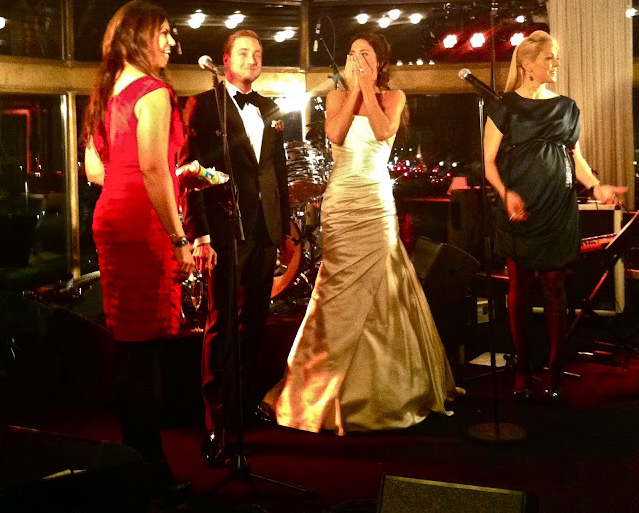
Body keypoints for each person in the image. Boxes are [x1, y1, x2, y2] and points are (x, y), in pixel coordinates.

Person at [262, 33, 461, 435]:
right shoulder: (336, 96)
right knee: (335, 286)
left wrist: (369, 88)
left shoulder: (395, 97)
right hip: (341, 199)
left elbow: (384, 131)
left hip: (375, 199)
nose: (356, 59)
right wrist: (354, 88)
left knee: (386, 285)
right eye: (352, 53)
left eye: (364, 54)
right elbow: (336, 135)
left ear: (380, 61)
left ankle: (391, 388)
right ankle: (319, 387)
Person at [83, 0, 196, 491]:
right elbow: (152, 168)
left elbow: (95, 170)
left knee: (130, 349)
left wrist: (137, 178)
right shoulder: (153, 91)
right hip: (140, 223)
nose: (171, 42)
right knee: (145, 351)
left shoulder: (107, 90)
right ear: (138, 36)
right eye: (164, 32)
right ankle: (152, 472)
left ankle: (135, 464)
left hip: (111, 216)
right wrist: (179, 238)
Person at [484, 30, 626, 401]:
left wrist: (596, 187)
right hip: (520, 209)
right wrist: (506, 193)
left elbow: (576, 158)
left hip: (557, 207)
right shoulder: (504, 107)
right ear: (527, 65)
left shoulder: (566, 107)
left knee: (554, 289)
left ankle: (555, 368)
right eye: (549, 57)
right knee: (519, 290)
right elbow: (488, 163)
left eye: (556, 57)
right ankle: (522, 368)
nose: (556, 63)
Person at [178, 30, 290, 465]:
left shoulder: (270, 107)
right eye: (244, 52)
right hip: (223, 230)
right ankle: (216, 422)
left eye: (258, 53)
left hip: (263, 229)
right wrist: (200, 234)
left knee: (254, 324)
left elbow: (277, 171)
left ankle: (242, 410)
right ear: (225, 61)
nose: (253, 58)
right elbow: (190, 171)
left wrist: (283, 228)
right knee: (221, 323)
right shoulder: (203, 105)